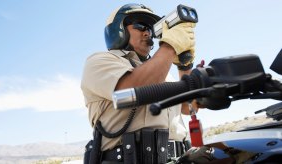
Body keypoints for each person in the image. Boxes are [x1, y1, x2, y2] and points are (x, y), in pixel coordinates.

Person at [81, 3, 201, 164]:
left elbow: (189, 108)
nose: (147, 33)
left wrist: (185, 66)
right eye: (140, 26)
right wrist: (171, 45)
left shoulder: (163, 73)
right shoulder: (99, 61)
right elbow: (135, 89)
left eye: (150, 29)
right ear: (119, 30)